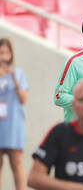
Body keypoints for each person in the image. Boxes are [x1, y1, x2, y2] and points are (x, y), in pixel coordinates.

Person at [0, 38, 28, 190]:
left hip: (13, 124)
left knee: (16, 163)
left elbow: (23, 99)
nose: (4, 56)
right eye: (1, 52)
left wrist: (14, 79)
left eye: (6, 52)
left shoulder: (18, 73)